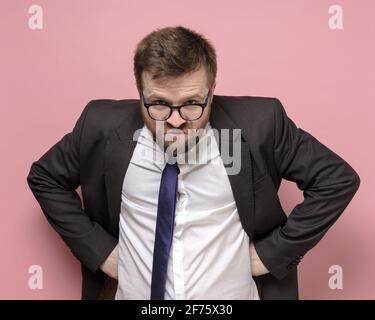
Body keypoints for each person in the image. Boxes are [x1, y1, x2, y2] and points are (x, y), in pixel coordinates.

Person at [27, 26, 360, 300]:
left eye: (191, 104)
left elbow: (336, 180)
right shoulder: (99, 125)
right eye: (159, 103)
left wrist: (273, 254)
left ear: (212, 91)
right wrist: (100, 251)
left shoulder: (260, 123)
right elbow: (45, 177)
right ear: (139, 91)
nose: (175, 121)